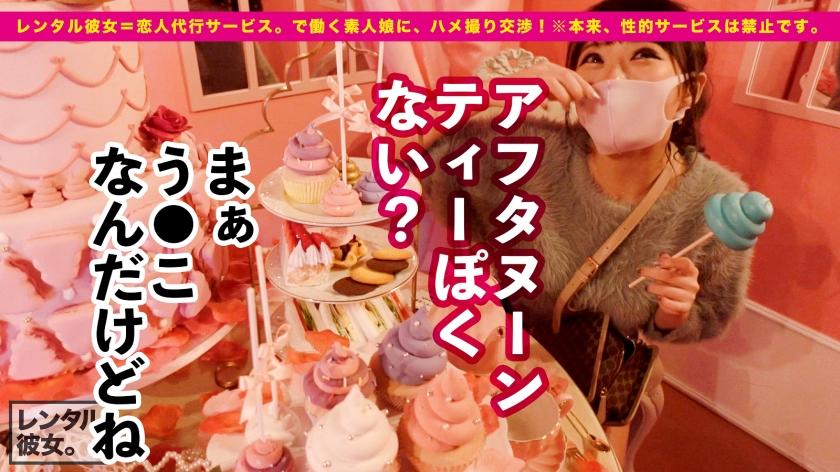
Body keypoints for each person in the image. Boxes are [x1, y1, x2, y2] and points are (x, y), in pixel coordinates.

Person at [419, 0, 754, 468]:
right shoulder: (527, 149)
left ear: (688, 91)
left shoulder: (716, 199)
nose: (613, 76)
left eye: (643, 54)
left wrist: (675, 312)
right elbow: (409, 156)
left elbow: (710, 314)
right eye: (594, 57)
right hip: (504, 357)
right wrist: (489, 95)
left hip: (602, 383)